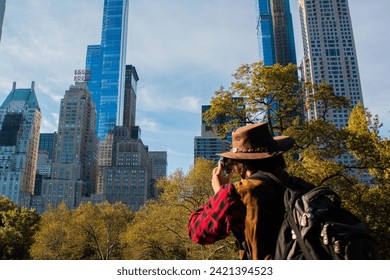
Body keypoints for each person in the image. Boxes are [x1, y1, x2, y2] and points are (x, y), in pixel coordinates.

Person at [188, 122, 296, 260]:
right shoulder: (301, 186)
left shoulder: (239, 193)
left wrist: (220, 193)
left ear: (242, 164)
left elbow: (198, 232)